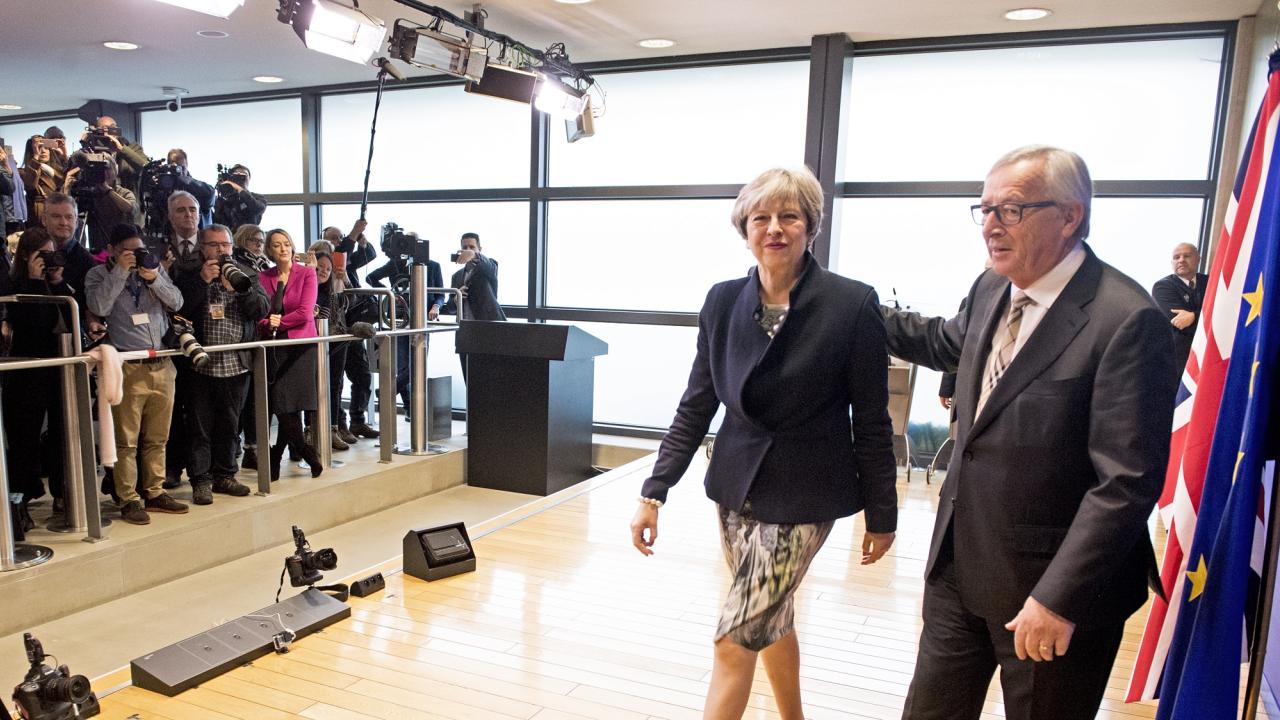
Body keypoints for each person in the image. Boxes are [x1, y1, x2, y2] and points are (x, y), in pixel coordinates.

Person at [878, 146, 1176, 720]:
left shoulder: (1125, 319)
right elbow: (944, 342)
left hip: (1051, 598)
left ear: (1070, 216)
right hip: (959, 569)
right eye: (984, 209)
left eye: (1010, 210)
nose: (990, 224)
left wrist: (1057, 597)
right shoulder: (993, 287)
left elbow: (1126, 483)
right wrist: (847, 307)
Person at [629, 167, 897, 720]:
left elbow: (871, 421)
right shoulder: (723, 301)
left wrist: (882, 514)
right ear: (745, 229)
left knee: (733, 638)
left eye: (789, 216)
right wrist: (654, 491)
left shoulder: (851, 305)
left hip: (805, 494)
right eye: (761, 218)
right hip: (736, 485)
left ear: (810, 227)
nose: (775, 228)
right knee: (768, 619)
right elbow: (696, 404)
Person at [84, 223, 188, 523]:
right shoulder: (98, 275)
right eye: (129, 251)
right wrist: (120, 271)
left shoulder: (152, 271)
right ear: (115, 250)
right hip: (127, 367)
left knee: (158, 437)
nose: (136, 256)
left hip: (162, 365)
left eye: (139, 250)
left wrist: (154, 278)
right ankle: (129, 498)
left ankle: (155, 491)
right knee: (126, 440)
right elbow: (98, 305)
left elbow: (177, 301)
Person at [175, 224, 269, 504]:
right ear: (202, 249)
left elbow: (261, 309)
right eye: (213, 245)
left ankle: (225, 475)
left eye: (224, 245)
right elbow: (178, 310)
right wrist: (201, 283)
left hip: (236, 364)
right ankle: (201, 480)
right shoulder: (189, 273)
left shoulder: (246, 272)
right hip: (199, 365)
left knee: (230, 425)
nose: (220, 250)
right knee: (199, 427)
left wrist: (240, 290)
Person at [2, 228, 75, 537]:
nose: (48, 260)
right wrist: (34, 280)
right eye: (41, 255)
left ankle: (64, 495)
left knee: (64, 435)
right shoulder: (14, 285)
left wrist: (56, 281)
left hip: (61, 371)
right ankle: (18, 501)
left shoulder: (58, 285)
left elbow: (73, 320)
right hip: (27, 371)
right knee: (24, 438)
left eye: (51, 253)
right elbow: (35, 322)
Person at [257, 228, 322, 480]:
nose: (282, 249)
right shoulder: (264, 277)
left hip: (301, 346)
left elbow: (306, 313)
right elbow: (260, 316)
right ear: (269, 250)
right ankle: (300, 450)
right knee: (283, 403)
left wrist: (278, 322)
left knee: (289, 403)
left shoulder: (306, 273)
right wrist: (268, 323)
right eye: (276, 245)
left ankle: (286, 454)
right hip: (275, 347)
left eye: (286, 244)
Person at [367, 234, 443, 421]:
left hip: (422, 321)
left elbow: (441, 293)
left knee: (417, 363)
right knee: (403, 366)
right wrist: (391, 295)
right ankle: (410, 409)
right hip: (400, 320)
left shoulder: (432, 265)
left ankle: (387, 391)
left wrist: (436, 306)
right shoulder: (395, 264)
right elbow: (371, 278)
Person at [333, 218, 379, 439]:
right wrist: (352, 234)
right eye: (333, 237)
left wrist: (362, 241)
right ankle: (338, 425)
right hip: (334, 329)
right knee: (336, 381)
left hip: (354, 327)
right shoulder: (323, 262)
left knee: (362, 376)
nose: (338, 241)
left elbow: (370, 255)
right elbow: (340, 252)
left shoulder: (348, 263)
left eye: (340, 237)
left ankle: (358, 421)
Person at [231, 223, 270, 469]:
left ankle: (253, 448)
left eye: (261, 240)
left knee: (257, 400)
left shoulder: (266, 265)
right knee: (240, 402)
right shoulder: (234, 266)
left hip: (263, 337)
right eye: (253, 240)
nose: (258, 244)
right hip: (240, 338)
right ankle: (239, 447)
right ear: (242, 240)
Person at [307, 245, 351, 451]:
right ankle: (310, 430)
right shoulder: (304, 289)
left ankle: (333, 429)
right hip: (310, 344)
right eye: (319, 267)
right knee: (311, 386)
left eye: (327, 268)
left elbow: (353, 304)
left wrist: (345, 279)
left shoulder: (334, 289)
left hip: (337, 341)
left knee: (335, 385)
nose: (323, 271)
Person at [446, 232, 504, 382]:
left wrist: (474, 255)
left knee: (489, 379)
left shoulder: (489, 266)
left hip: (487, 331)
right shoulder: (457, 276)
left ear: (480, 249)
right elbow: (450, 308)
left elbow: (490, 267)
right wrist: (456, 298)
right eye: (464, 247)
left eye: (471, 247)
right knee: (469, 380)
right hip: (465, 333)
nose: (467, 249)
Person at [61, 155, 139, 253]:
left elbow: (130, 208)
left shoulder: (123, 192)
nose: (104, 174)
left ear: (115, 170)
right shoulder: (87, 193)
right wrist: (67, 190)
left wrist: (107, 190)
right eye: (96, 170)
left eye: (106, 169)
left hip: (123, 248)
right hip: (98, 249)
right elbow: (69, 214)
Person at [1151, 242, 1208, 374]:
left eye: (1186, 256)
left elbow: (1221, 316)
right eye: (1177, 257)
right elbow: (1179, 322)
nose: (1181, 260)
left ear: (1198, 259)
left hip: (1209, 354)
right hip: (1179, 362)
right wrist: (1204, 316)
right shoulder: (1162, 287)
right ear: (1172, 263)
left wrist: (1193, 316)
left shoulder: (1211, 282)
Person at [41, 193, 99, 309]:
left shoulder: (87, 261)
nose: (63, 223)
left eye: (69, 217)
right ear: (44, 220)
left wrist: (59, 283)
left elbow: (86, 308)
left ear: (77, 222)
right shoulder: (33, 251)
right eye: (56, 216)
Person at [165, 149, 217, 228]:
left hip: (199, 236)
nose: (179, 171)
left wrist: (184, 181)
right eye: (176, 168)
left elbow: (210, 194)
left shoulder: (196, 188)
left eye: (182, 167)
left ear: (187, 165)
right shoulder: (165, 187)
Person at [212, 164, 267, 232]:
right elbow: (217, 220)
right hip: (229, 237)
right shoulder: (226, 199)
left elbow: (257, 208)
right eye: (236, 174)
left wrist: (239, 189)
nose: (240, 177)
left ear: (249, 178)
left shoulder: (258, 197)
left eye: (244, 174)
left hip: (249, 236)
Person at [19, 136, 58, 227]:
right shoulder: (22, 172)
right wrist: (36, 157)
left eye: (46, 148)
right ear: (31, 151)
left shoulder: (54, 171)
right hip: (39, 216)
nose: (43, 151)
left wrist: (63, 152)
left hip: (57, 212)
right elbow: (30, 184)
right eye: (39, 147)